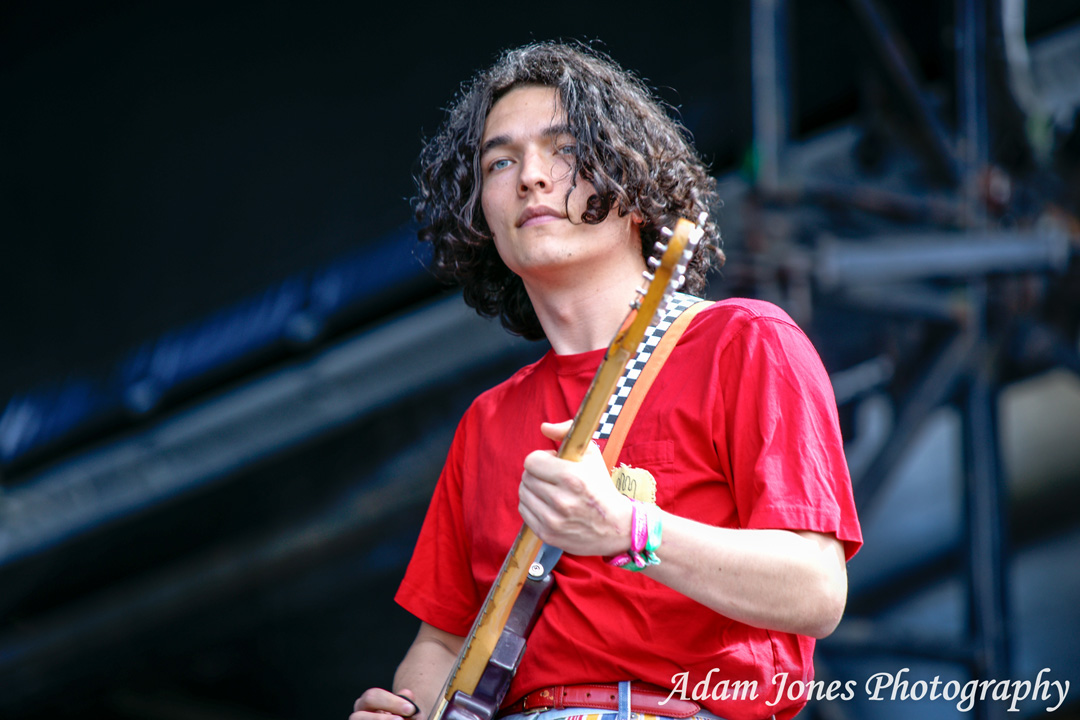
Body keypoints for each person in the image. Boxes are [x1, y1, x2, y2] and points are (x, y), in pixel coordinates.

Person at [351, 41, 861, 720]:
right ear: (481, 215)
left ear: (630, 180)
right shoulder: (487, 422)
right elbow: (443, 642)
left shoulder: (744, 342)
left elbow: (816, 589)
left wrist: (630, 529)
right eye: (500, 162)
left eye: (562, 149)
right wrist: (409, 708)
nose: (530, 177)